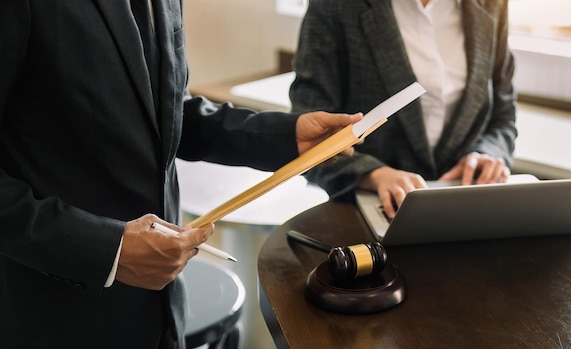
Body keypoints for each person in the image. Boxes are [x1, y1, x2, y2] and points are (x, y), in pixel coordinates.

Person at [0, 1, 361, 348]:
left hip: (163, 311)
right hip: (54, 318)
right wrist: (109, 250)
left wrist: (284, 136)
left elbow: (168, 113)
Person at [290, 0, 518, 219]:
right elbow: (310, 137)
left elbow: (503, 116)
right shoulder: (334, 5)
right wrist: (373, 174)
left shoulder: (492, 4)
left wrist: (489, 153)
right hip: (368, 213)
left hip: (467, 206)